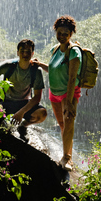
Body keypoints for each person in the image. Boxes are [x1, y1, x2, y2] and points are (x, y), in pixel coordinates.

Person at [33, 15, 81, 171]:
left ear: (71, 34)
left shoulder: (74, 52)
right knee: (62, 125)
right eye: (59, 33)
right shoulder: (55, 49)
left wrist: (68, 100)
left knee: (68, 125)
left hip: (69, 94)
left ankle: (67, 160)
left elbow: (72, 78)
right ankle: (67, 154)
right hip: (54, 94)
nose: (61, 36)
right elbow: (53, 70)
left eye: (65, 34)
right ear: (56, 32)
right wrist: (40, 64)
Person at [0, 39, 47, 140]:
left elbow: (37, 97)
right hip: (4, 102)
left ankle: (23, 127)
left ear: (32, 53)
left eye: (28, 51)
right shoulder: (8, 66)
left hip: (23, 103)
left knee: (42, 114)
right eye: (22, 51)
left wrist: (21, 113)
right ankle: (2, 123)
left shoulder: (36, 71)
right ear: (17, 53)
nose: (25, 53)